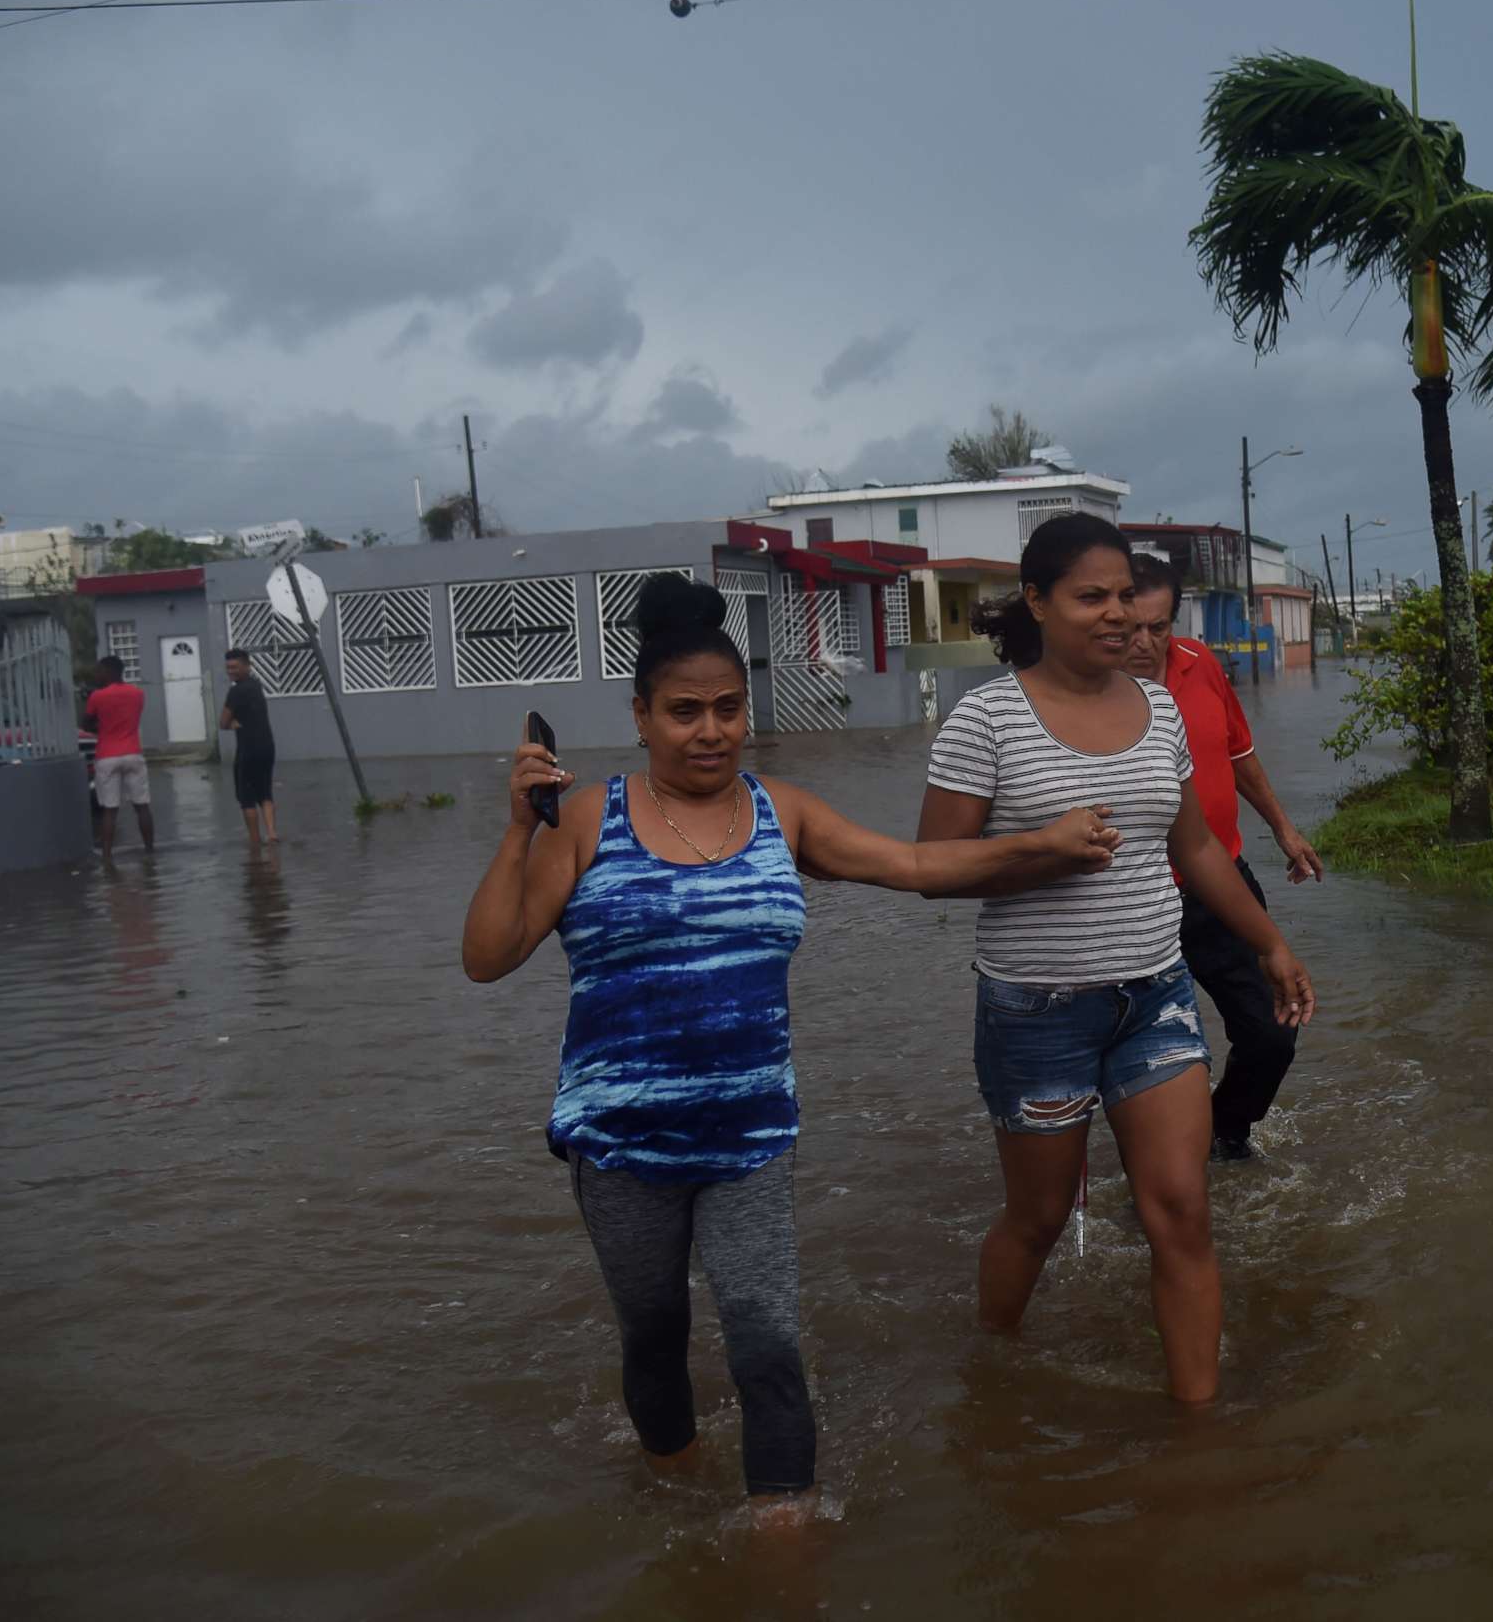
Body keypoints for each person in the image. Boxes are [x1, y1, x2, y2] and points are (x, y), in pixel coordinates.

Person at [459, 576, 1122, 1516]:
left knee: (767, 1334)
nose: (710, 731)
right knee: (652, 1331)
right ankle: (673, 1487)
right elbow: (487, 958)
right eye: (684, 712)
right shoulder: (582, 818)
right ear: (640, 716)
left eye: (728, 709)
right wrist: (516, 831)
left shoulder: (784, 813)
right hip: (621, 1144)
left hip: (752, 1139)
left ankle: (784, 1531)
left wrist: (1043, 844)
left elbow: (919, 863)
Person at [917, 513, 1316, 1405]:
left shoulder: (1161, 706)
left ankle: (1197, 1433)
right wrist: (1040, 849)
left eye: (1123, 595)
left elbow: (1201, 847)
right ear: (1037, 601)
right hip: (1037, 1012)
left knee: (1182, 1211)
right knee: (1039, 1219)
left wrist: (1271, 943)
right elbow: (931, 869)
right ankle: (994, 1367)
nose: (1113, 613)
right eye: (1089, 596)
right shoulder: (987, 718)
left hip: (1155, 998)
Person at [1123, 552, 1323, 1162]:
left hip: (1220, 887)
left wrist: (1284, 831)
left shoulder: (1200, 664)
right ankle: (1163, 1171)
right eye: (1130, 627)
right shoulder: (1091, 692)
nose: (1144, 643)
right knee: (1156, 1056)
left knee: (1272, 1031)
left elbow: (1238, 753)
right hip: (1134, 901)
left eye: (1158, 627)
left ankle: (1222, 1137)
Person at [82, 655, 153, 857]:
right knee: (142, 806)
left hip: (107, 756)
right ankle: (150, 851)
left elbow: (86, 725)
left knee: (110, 810)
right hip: (133, 754)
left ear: (108, 671)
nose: (96, 674)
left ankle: (106, 856)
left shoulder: (97, 696)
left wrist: (101, 725)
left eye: (99, 671)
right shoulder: (138, 694)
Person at [220, 649, 278, 845]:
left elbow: (223, 722)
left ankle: (255, 842)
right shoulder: (256, 685)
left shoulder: (236, 691)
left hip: (248, 749)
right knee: (265, 792)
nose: (231, 671)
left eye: (235, 667)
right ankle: (272, 835)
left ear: (247, 666)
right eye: (228, 667)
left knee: (246, 798)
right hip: (267, 747)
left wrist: (233, 723)